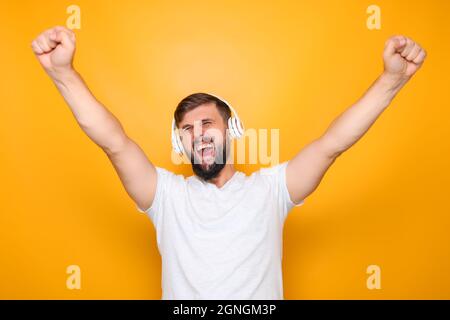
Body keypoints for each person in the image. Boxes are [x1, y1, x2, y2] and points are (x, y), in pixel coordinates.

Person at [31, 26, 427, 299]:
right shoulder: (165, 196)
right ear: (179, 141)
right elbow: (113, 142)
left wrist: (391, 80)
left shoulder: (272, 189)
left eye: (207, 123)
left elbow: (333, 143)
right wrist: (62, 72)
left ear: (231, 128)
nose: (198, 134)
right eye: (186, 129)